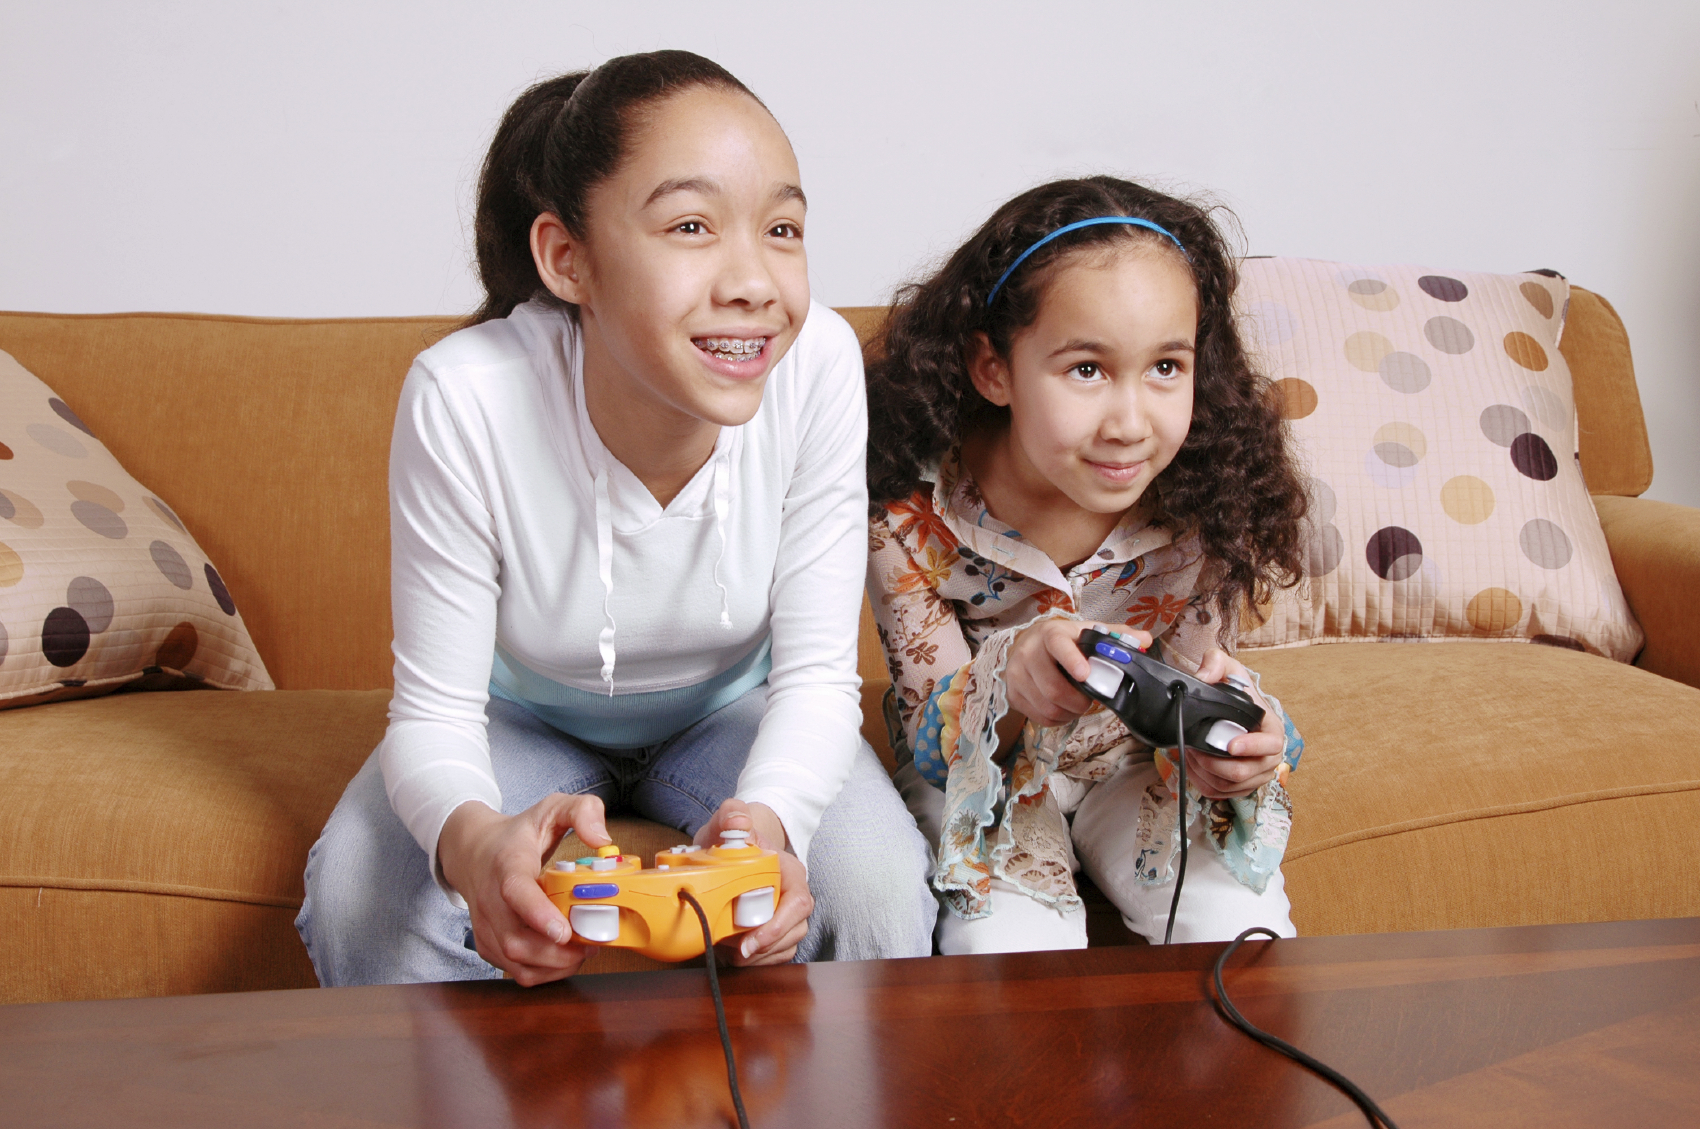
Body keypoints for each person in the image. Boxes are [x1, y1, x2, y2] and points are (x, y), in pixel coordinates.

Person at [296, 50, 934, 986]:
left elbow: (816, 676)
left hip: (731, 710)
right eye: (690, 225)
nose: (755, 281)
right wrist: (476, 847)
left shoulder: (821, 364)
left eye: (783, 229)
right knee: (362, 893)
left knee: (873, 881)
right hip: (520, 715)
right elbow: (433, 711)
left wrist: (771, 821)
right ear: (568, 259)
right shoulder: (465, 395)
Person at [864, 176, 1310, 952]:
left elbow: (1196, 679)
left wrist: (1247, 746)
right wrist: (1011, 676)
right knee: (1007, 949)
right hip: (979, 774)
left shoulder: (1203, 500)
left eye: (1166, 367)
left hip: (1129, 765)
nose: (1132, 423)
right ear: (992, 367)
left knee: (1240, 926)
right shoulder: (905, 514)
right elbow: (932, 743)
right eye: (1087, 370)